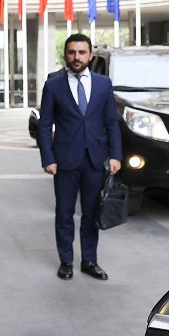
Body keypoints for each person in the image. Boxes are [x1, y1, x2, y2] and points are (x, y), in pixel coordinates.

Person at [37, 33, 121, 281]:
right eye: (72, 52)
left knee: (91, 213)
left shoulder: (104, 84)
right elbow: (45, 125)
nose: (77, 57)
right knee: (64, 213)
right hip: (64, 160)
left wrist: (116, 155)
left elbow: (112, 122)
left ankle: (89, 260)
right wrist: (48, 158)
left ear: (90, 55)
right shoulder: (53, 84)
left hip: (96, 160)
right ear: (66, 55)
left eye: (82, 52)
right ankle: (66, 261)